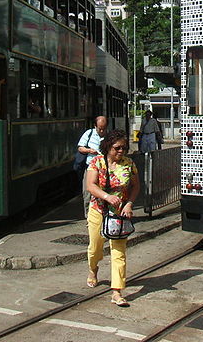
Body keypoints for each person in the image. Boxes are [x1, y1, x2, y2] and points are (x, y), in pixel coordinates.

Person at [85, 129, 139, 307]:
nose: (121, 151)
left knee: (119, 252)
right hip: (98, 211)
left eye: (124, 148)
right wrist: (107, 197)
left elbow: (136, 186)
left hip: (119, 215)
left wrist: (129, 203)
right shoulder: (96, 163)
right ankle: (93, 269)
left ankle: (117, 291)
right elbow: (90, 186)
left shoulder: (129, 164)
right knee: (95, 248)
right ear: (108, 147)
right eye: (117, 148)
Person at [76, 116, 107, 216]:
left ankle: (102, 215)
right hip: (90, 168)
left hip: (104, 169)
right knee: (87, 193)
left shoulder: (109, 135)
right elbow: (80, 148)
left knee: (103, 192)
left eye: (104, 128)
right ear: (95, 126)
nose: (102, 131)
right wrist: (89, 150)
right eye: (99, 128)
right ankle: (88, 216)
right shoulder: (89, 133)